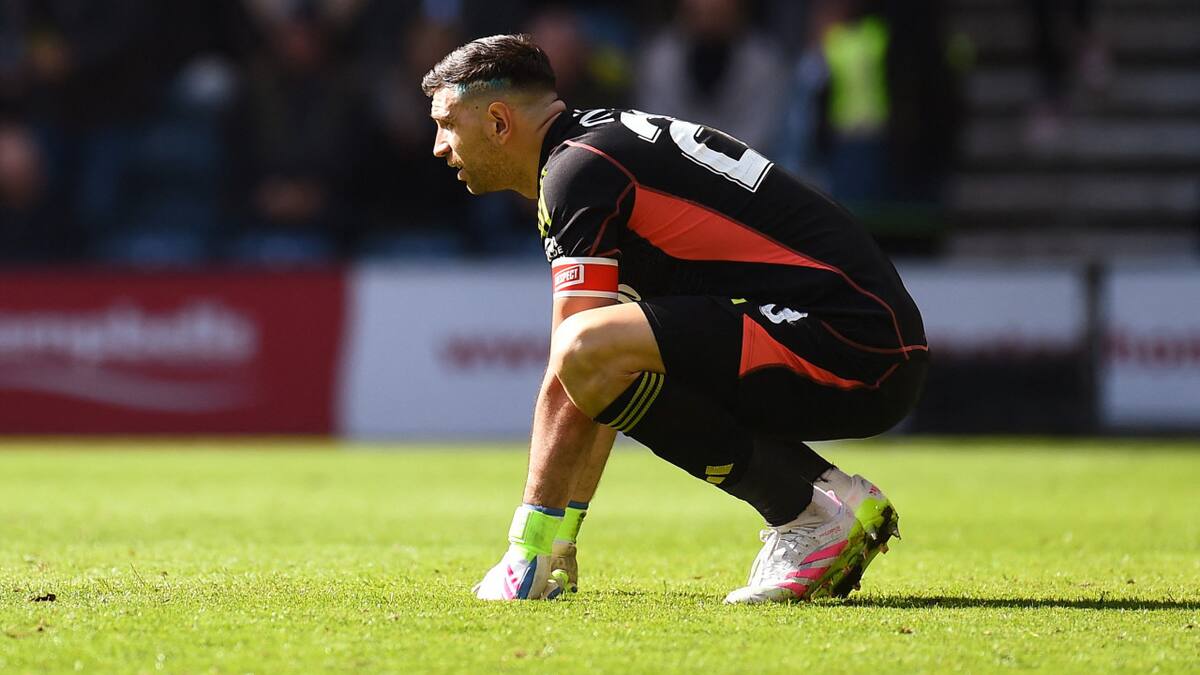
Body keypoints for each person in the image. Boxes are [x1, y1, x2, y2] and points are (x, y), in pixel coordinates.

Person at [422, 34, 928, 604]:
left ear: (497, 120)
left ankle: (810, 514)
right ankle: (826, 503)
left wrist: (528, 547)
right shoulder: (596, 148)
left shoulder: (576, 172)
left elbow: (574, 363)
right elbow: (595, 382)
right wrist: (559, 542)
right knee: (602, 350)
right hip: (862, 341)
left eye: (446, 122)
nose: (439, 145)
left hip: (847, 342)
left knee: (585, 345)